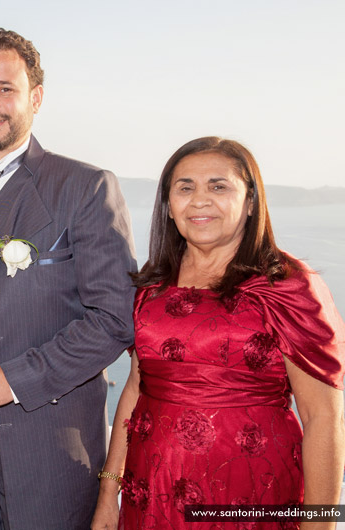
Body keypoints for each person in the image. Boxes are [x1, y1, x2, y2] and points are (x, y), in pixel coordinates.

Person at [0, 28, 138, 529]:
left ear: (36, 97)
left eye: (6, 88)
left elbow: (115, 320)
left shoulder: (86, 186)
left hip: (46, 449)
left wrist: (14, 379)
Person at [91, 137, 345, 530]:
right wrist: (109, 494)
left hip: (252, 493)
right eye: (185, 187)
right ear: (169, 207)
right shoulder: (152, 289)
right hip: (152, 491)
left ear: (250, 203)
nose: (200, 200)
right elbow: (136, 389)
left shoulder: (288, 286)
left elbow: (323, 418)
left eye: (218, 186)